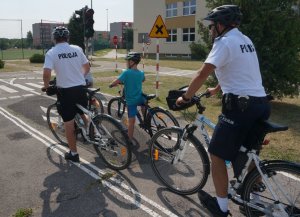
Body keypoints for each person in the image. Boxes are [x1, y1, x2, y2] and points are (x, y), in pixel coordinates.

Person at [176, 5, 271, 217]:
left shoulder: (224, 42)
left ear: (221, 25)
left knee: (217, 155)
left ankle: (221, 209)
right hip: (261, 104)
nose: (211, 31)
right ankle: (253, 202)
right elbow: (240, 70)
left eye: (212, 26)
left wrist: (186, 97)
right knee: (250, 154)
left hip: (240, 108)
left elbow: (202, 73)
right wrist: (217, 88)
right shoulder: (245, 40)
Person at [42, 26, 90, 163]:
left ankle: (74, 153)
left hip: (66, 92)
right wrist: (78, 77)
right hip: (80, 88)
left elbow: (46, 73)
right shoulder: (77, 49)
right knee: (82, 111)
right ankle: (90, 132)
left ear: (54, 39)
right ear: (67, 38)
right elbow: (87, 67)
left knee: (68, 124)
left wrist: (46, 87)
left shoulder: (52, 52)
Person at [109, 52, 145, 140]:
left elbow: (117, 81)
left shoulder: (127, 73)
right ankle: (145, 120)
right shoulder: (141, 73)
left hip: (131, 100)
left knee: (131, 122)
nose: (126, 63)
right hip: (140, 97)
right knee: (144, 104)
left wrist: (111, 85)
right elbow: (143, 80)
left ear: (132, 62)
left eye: (128, 61)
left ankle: (129, 140)